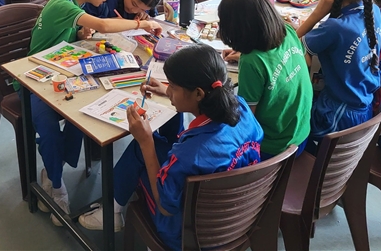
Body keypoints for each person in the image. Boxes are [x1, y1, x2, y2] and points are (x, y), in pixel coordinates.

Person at [78, 45, 263, 244]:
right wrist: (170, 93)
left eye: (173, 87)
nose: (168, 90)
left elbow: (165, 207)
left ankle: (112, 211)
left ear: (199, 94)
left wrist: (146, 143)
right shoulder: (241, 107)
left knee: (139, 149)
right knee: (162, 137)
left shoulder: (190, 154)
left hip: (185, 233)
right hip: (235, 216)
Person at [29, 0, 163, 226]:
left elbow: (69, 34)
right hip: (35, 76)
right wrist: (142, 25)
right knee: (49, 130)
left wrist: (79, 33)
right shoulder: (62, 4)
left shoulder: (75, 3)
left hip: (63, 70)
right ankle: (57, 186)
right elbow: (103, 25)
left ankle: (54, 169)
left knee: (82, 115)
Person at [218, 0, 312, 158]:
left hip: (275, 149)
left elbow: (247, 120)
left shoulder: (251, 61)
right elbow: (301, 61)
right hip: (301, 134)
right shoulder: (288, 31)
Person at [296, 0, 381, 140]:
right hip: (363, 105)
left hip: (336, 117)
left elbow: (292, 48)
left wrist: (317, 13)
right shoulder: (374, 11)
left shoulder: (336, 27)